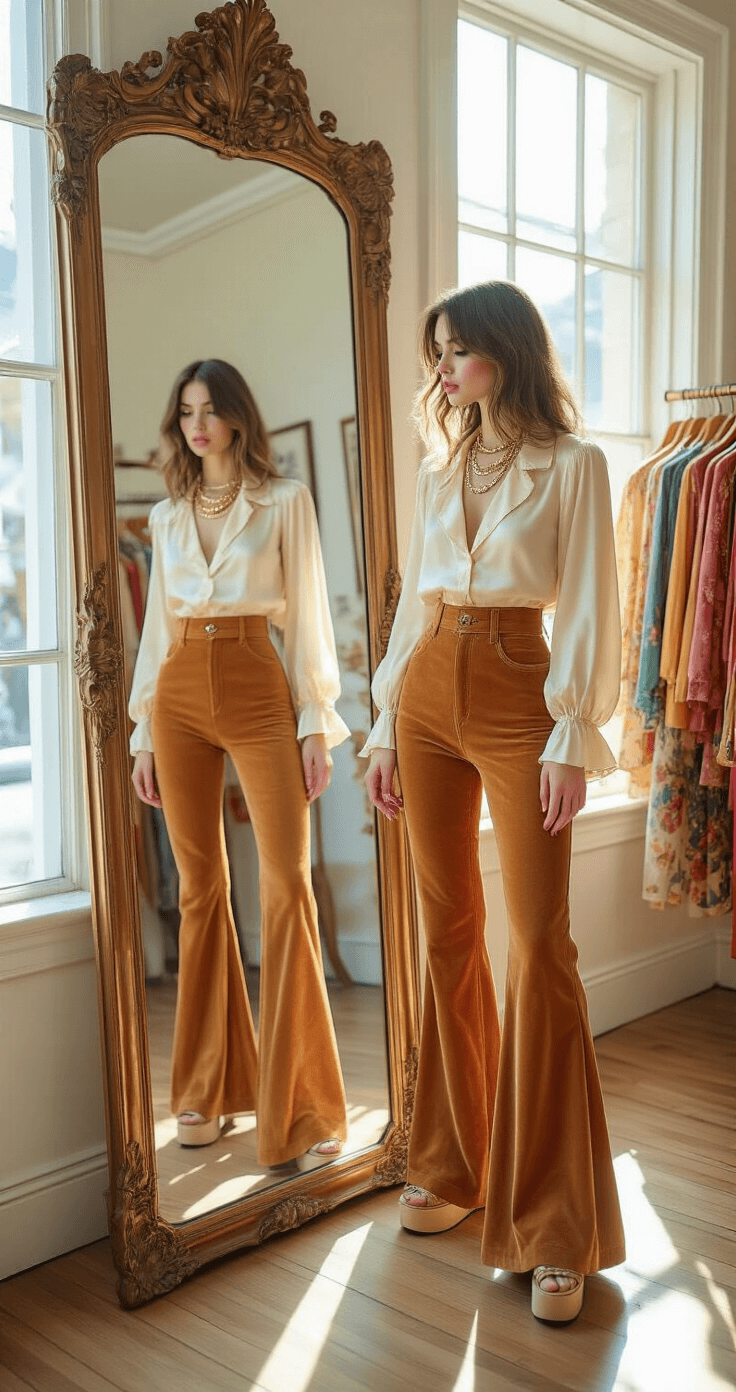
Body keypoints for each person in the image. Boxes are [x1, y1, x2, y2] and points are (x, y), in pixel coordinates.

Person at [362, 282, 626, 1322]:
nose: (440, 371)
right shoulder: (437, 470)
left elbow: (597, 605)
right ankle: (454, 1160)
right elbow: (410, 607)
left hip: (524, 691)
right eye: (435, 353)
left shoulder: (574, 465)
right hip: (426, 687)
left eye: (456, 351)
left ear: (505, 354)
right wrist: (383, 724)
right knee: (446, 932)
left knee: (542, 947)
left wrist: (574, 734)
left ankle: (557, 1226)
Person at [129, 358, 349, 1171]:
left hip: (260, 682)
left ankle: (303, 1105)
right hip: (179, 690)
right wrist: (143, 733)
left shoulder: (285, 501)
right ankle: (208, 1089)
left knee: (287, 884)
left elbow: (310, 619)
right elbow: (157, 627)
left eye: (211, 408)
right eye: (185, 410)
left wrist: (314, 723)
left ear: (237, 418)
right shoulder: (165, 515)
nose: (197, 423)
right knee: (199, 890)